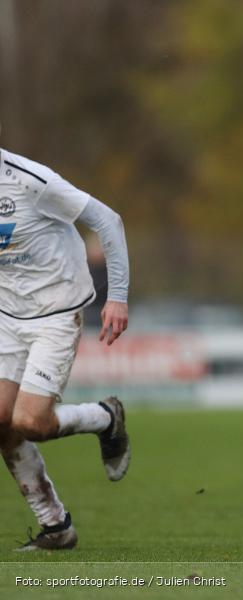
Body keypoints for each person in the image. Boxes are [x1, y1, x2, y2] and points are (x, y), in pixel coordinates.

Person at [0, 140, 131, 550]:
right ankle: (56, 527)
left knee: (31, 424)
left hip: (56, 311)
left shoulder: (29, 180)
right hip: (7, 314)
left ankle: (105, 418)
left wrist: (119, 296)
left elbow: (107, 220)